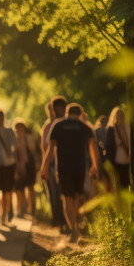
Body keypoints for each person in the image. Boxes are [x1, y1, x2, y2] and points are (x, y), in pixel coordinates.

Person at [41, 104, 100, 244]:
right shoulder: (85, 127)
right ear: (80, 114)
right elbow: (93, 148)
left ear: (67, 112)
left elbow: (50, 150)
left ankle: (74, 229)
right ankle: (77, 226)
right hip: (79, 168)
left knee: (67, 198)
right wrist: (95, 166)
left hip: (63, 168)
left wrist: (44, 167)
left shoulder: (58, 125)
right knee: (76, 197)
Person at [41, 96, 68, 233]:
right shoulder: (47, 127)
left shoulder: (63, 123)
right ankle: (57, 219)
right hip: (51, 163)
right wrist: (45, 165)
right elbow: (44, 147)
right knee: (54, 192)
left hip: (62, 161)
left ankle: (64, 220)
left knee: (62, 191)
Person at [12, 118, 42, 218]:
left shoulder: (30, 138)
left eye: (21, 127)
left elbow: (36, 151)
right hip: (19, 166)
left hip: (30, 165)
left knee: (30, 187)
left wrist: (38, 164)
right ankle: (21, 209)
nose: (19, 129)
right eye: (17, 128)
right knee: (19, 189)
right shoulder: (14, 140)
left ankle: (32, 209)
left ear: (24, 128)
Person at [104, 106, 131, 189]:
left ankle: (120, 200)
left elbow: (113, 144)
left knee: (118, 183)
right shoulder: (125, 128)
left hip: (117, 159)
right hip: (125, 159)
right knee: (124, 183)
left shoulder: (112, 129)